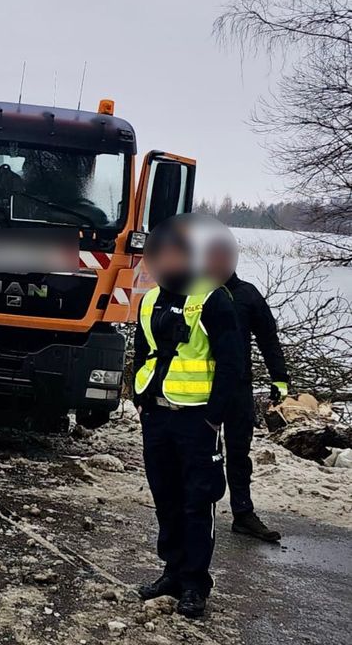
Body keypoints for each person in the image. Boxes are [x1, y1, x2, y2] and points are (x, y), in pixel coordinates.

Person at [132, 219, 245, 619]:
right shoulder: (149, 299)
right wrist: (138, 397)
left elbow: (233, 364)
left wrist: (215, 418)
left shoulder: (213, 298)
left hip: (198, 420)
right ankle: (172, 572)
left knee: (198, 502)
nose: (164, 262)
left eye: (172, 254)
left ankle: (195, 583)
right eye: (157, 256)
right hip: (158, 417)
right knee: (166, 499)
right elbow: (142, 351)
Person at [205, 244, 290, 542]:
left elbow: (268, 337)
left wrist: (280, 378)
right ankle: (197, 509)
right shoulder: (194, 294)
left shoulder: (247, 294)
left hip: (239, 388)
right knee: (201, 451)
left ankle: (243, 513)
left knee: (239, 452)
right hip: (203, 389)